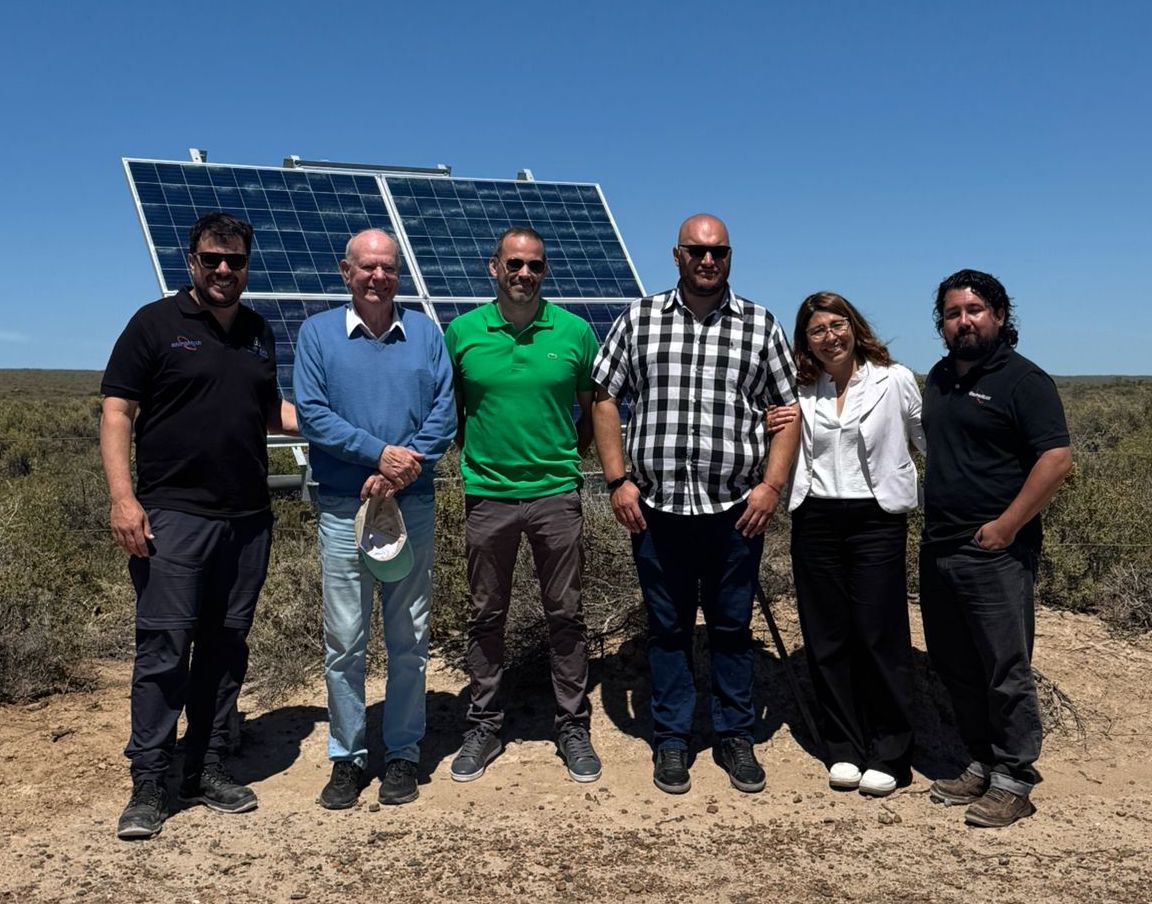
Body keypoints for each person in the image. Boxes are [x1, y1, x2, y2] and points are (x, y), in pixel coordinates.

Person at [101, 212, 298, 839]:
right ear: (191, 261)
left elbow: (273, 413)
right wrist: (124, 500)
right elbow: (117, 412)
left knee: (225, 645)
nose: (223, 270)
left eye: (234, 261)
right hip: (173, 516)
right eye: (212, 259)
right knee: (163, 650)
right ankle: (149, 783)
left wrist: (355, 424)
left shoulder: (258, 332)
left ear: (247, 266)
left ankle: (205, 765)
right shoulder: (153, 324)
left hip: (246, 519)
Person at [592, 213, 799, 795]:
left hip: (737, 510)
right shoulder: (640, 320)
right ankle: (673, 740)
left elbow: (789, 414)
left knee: (733, 629)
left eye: (719, 252)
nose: (709, 261)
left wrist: (771, 487)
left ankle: (735, 735)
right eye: (697, 251)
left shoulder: (759, 326)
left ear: (729, 258)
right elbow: (605, 396)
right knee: (667, 629)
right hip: (656, 510)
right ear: (677, 255)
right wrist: (617, 480)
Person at [294, 228, 455, 811]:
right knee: (344, 640)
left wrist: (395, 473)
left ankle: (404, 753)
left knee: (409, 636)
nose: (378, 276)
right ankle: (347, 756)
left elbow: (444, 413)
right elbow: (312, 414)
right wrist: (376, 454)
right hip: (343, 510)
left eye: (388, 267)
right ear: (346, 271)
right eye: (367, 267)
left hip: (409, 505)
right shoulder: (317, 335)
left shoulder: (426, 335)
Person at [443, 228, 602, 783]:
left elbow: (590, 412)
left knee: (567, 616)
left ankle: (572, 726)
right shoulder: (461, 333)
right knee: (486, 616)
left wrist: (560, 463)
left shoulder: (576, 333)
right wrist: (486, 465)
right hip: (488, 496)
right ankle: (484, 725)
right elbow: (454, 416)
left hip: (556, 494)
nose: (524, 274)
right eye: (514, 263)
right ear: (494, 268)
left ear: (545, 271)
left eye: (535, 265)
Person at [920, 268, 1072, 827]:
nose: (964, 320)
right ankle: (981, 762)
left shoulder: (1023, 380)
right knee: (956, 663)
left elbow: (1055, 459)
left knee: (1004, 667)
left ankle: (1015, 778)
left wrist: (1007, 525)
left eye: (975, 310)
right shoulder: (937, 377)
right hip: (939, 544)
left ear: (1000, 316)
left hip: (994, 551)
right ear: (942, 323)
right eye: (953, 312)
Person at [768, 292, 925, 797]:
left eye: (838, 325)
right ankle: (842, 744)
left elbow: (929, 439)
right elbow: (783, 445)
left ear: (855, 327)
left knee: (879, 634)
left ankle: (892, 751)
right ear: (806, 341)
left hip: (875, 516)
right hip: (815, 514)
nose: (830, 336)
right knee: (826, 634)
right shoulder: (801, 389)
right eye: (818, 330)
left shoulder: (893, 380)